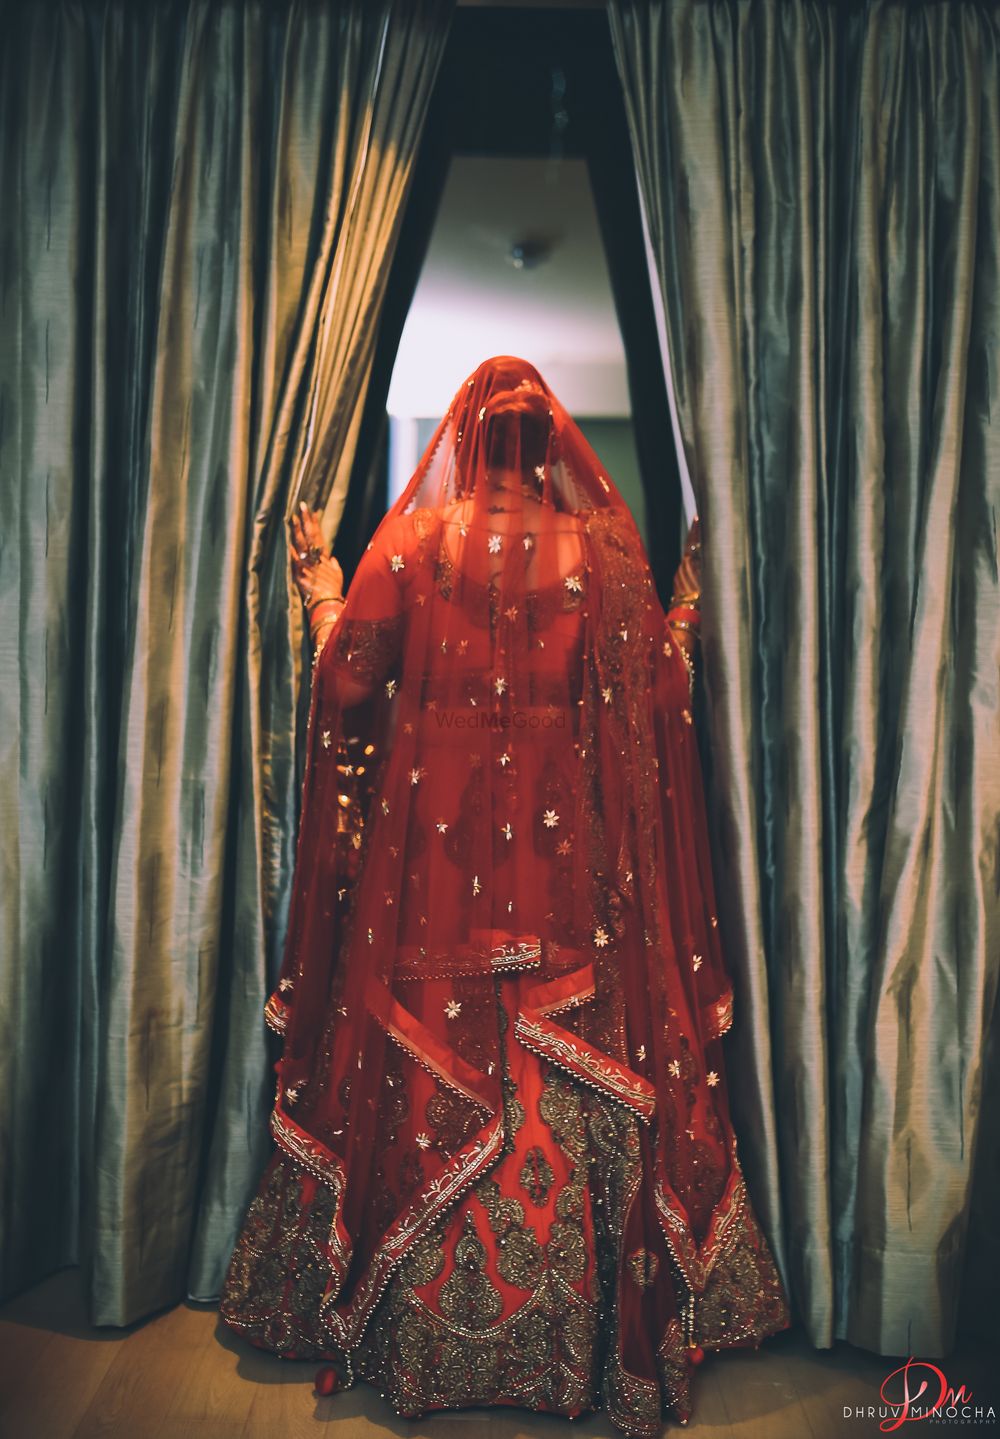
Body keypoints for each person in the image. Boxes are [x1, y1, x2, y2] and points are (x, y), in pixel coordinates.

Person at [219, 355, 791, 1433]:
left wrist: (321, 591)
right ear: (552, 449)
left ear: (469, 441)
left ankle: (418, 1337)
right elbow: (659, 691)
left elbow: (347, 679)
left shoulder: (420, 544)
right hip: (573, 875)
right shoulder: (604, 551)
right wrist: (689, 601)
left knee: (435, 1048)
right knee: (571, 1062)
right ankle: (580, 1343)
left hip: (433, 872)